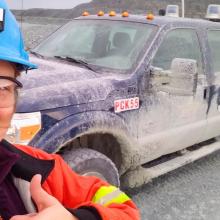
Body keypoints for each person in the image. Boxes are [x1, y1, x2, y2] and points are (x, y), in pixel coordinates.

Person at [0, 1, 140, 220]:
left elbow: (125, 211)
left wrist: (78, 217)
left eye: (1, 88)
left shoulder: (37, 168)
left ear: (15, 95)